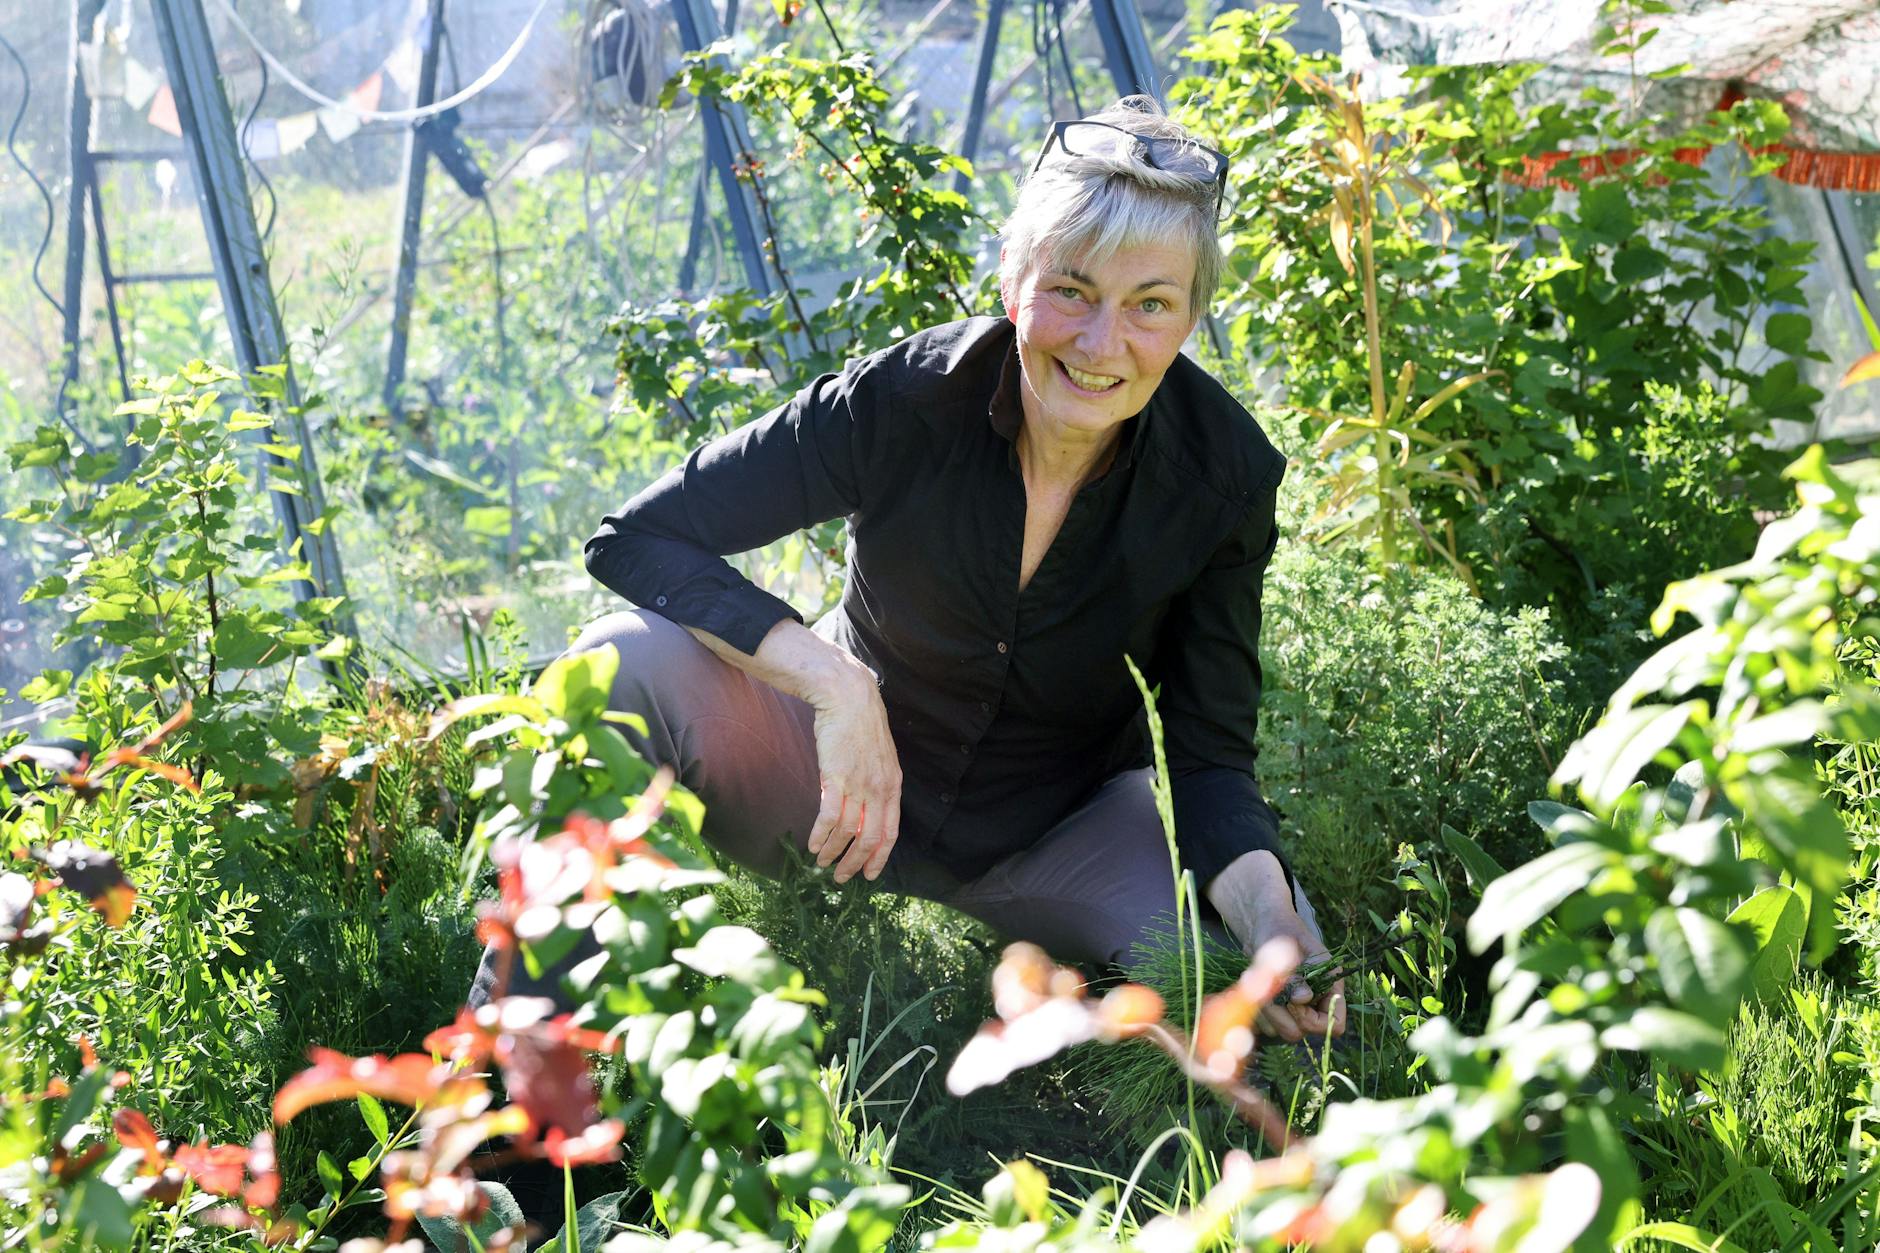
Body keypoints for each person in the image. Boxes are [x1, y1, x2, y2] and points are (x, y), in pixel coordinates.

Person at [472, 96, 1344, 1042]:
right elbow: (635, 536)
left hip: (1057, 826)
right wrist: (835, 684)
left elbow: (1211, 755)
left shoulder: (1222, 476)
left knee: (1273, 999)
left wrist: (1270, 921)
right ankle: (511, 1079)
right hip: (829, 782)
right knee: (617, 667)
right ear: (1014, 279)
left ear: (1190, 318)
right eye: (1072, 290)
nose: (1102, 345)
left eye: (1151, 306)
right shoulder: (904, 399)